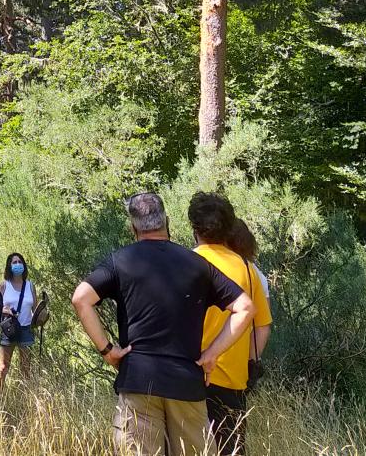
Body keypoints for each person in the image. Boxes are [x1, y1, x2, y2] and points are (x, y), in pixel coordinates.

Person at [72, 191, 255, 456]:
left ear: (132, 226)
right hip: (186, 381)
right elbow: (245, 308)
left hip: (138, 379)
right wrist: (211, 354)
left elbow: (81, 299)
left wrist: (107, 351)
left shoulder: (120, 261)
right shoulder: (198, 265)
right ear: (166, 221)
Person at [191, 197, 275, 456]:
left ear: (195, 228)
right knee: (231, 449)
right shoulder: (248, 270)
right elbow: (262, 326)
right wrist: (251, 363)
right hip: (231, 380)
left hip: (188, 373)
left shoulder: (183, 262)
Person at [0, 251, 37, 393]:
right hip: (9, 328)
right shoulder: (4, 285)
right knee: (3, 367)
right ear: (9, 266)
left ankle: (24, 397)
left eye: (20, 262)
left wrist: (43, 316)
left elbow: (35, 309)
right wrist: (5, 311)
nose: (17, 265)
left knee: (26, 367)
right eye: (14, 262)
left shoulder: (30, 286)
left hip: (26, 329)